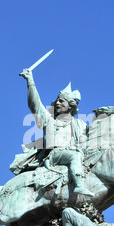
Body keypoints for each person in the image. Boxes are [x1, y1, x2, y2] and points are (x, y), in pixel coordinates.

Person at [19, 68, 94, 197]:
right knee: (74, 156)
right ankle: (79, 186)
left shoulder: (80, 124)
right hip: (55, 156)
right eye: (57, 101)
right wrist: (30, 82)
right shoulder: (49, 119)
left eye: (61, 101)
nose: (57, 103)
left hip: (76, 155)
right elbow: (35, 104)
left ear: (70, 105)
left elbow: (86, 144)